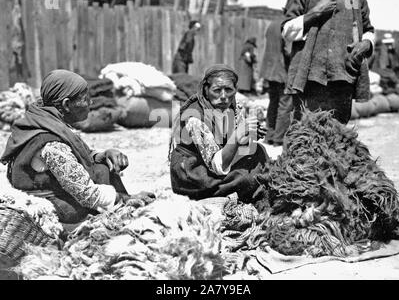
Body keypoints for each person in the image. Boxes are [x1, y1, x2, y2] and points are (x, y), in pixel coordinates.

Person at [1, 70, 154, 225]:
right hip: (55, 210)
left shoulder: (43, 119)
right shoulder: (52, 144)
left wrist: (101, 155)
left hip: (53, 193)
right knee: (103, 173)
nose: (91, 103)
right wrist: (127, 199)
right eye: (85, 99)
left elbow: (76, 154)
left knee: (101, 167)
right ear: (66, 104)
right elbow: (87, 194)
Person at [169, 64, 269, 201]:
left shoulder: (232, 105)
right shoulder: (195, 118)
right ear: (206, 89)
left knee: (258, 152)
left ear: (235, 90)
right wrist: (237, 135)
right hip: (195, 173)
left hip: (218, 159)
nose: (223, 96)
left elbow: (234, 139)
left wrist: (249, 134)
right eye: (217, 90)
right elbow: (217, 165)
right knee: (247, 178)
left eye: (228, 90)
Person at [282, 0, 375, 124]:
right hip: (309, 79)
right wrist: (315, 13)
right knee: (306, 133)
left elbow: (368, 29)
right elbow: (286, 31)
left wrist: (367, 43)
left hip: (343, 76)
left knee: (338, 133)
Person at [259, 6, 293, 147]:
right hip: (282, 71)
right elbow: (288, 51)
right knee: (285, 105)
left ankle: (269, 136)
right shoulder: (289, 25)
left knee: (273, 103)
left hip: (270, 71)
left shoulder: (272, 24)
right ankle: (278, 139)